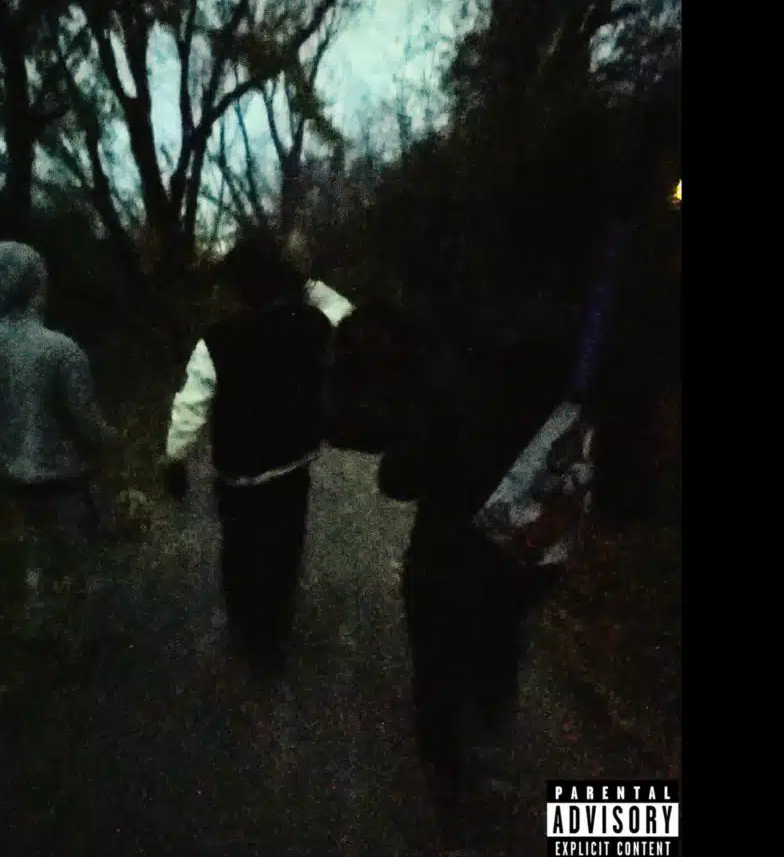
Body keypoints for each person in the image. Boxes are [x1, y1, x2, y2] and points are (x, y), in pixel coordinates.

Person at [378, 308, 594, 805]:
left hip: (443, 558)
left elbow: (397, 479)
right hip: (517, 565)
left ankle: (447, 773)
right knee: (498, 650)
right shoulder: (571, 401)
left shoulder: (451, 388)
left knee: (437, 666)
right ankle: (485, 746)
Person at [161, 232, 336, 677]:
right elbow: (348, 317)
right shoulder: (310, 325)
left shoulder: (218, 339)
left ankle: (244, 623)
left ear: (239, 287)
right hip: (291, 465)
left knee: (238, 547)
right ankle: (271, 636)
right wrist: (308, 285)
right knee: (284, 550)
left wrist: (175, 457)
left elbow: (192, 404)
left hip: (236, 472)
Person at [0, 241, 117, 607]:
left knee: (37, 553)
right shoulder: (59, 349)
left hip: (11, 477)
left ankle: (42, 618)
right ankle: (87, 626)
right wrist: (111, 441)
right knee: (84, 561)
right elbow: (86, 423)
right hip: (66, 478)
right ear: (34, 285)